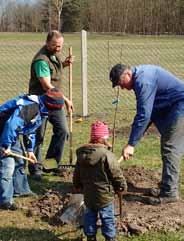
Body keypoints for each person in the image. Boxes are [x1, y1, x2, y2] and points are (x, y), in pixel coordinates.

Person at [109, 63, 184, 205]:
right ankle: (166, 187)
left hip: (180, 106)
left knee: (170, 148)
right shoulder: (140, 78)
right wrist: (134, 141)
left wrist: (131, 144)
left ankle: (170, 193)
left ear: (128, 74)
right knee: (169, 147)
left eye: (121, 83)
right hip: (171, 107)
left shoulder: (143, 82)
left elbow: (144, 114)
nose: (122, 88)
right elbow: (147, 114)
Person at [0, 88, 64, 210]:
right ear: (51, 106)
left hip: (11, 133)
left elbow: (30, 129)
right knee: (7, 166)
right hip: (3, 131)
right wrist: (5, 146)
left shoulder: (41, 109)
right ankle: (5, 200)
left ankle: (21, 190)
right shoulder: (31, 107)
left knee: (19, 162)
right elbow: (11, 125)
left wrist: (30, 150)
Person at [28, 30, 74, 180]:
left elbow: (52, 70)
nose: (58, 49)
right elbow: (47, 85)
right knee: (37, 135)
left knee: (62, 131)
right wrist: (66, 100)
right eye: (55, 45)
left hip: (54, 102)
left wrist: (64, 64)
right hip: (39, 102)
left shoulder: (53, 55)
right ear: (47, 43)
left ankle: (50, 165)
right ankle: (36, 169)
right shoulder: (41, 60)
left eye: (60, 46)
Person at [73, 121, 127, 241]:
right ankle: (110, 237)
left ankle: (90, 236)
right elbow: (116, 174)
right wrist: (121, 186)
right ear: (104, 139)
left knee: (89, 216)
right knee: (107, 217)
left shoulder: (81, 155)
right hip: (104, 196)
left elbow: (77, 173)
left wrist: (77, 185)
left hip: (88, 194)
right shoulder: (107, 155)